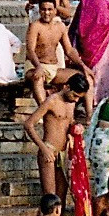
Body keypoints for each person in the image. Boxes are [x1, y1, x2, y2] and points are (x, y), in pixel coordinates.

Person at [23, 71, 87, 200]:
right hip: (49, 149)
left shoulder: (72, 103)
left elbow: (69, 122)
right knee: (50, 198)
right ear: (66, 87)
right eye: (75, 95)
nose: (76, 99)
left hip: (64, 152)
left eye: (79, 97)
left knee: (61, 196)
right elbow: (28, 124)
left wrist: (78, 127)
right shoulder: (51, 101)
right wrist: (43, 148)